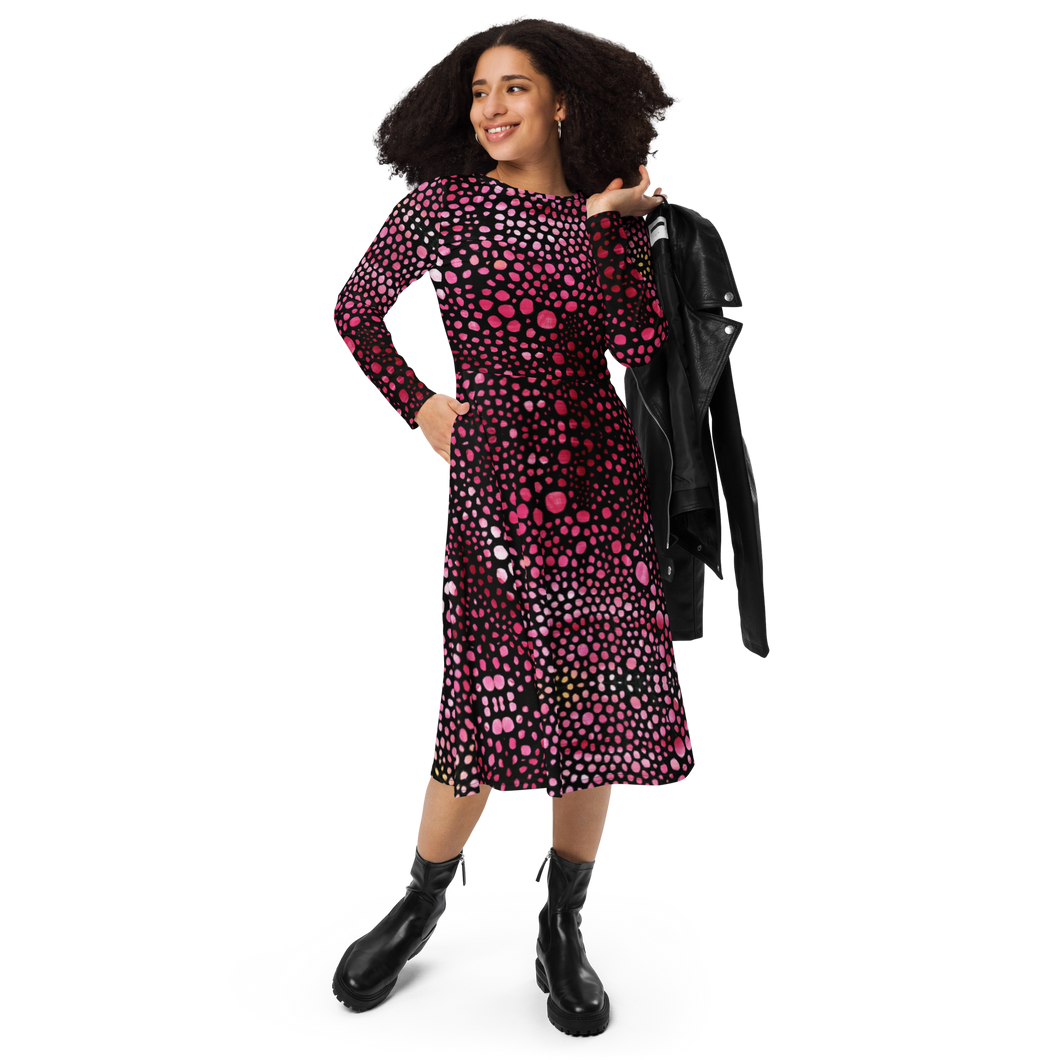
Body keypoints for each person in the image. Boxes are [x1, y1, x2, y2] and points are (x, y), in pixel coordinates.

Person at [330, 15, 693, 1034]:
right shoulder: (440, 208)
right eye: (481, 91)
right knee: (484, 696)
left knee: (597, 703)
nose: (491, 108)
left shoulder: (606, 214)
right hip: (495, 482)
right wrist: (419, 403)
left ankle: (564, 921)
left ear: (562, 101)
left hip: (602, 485)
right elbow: (355, 311)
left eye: (515, 88)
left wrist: (610, 224)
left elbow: (638, 344)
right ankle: (423, 895)